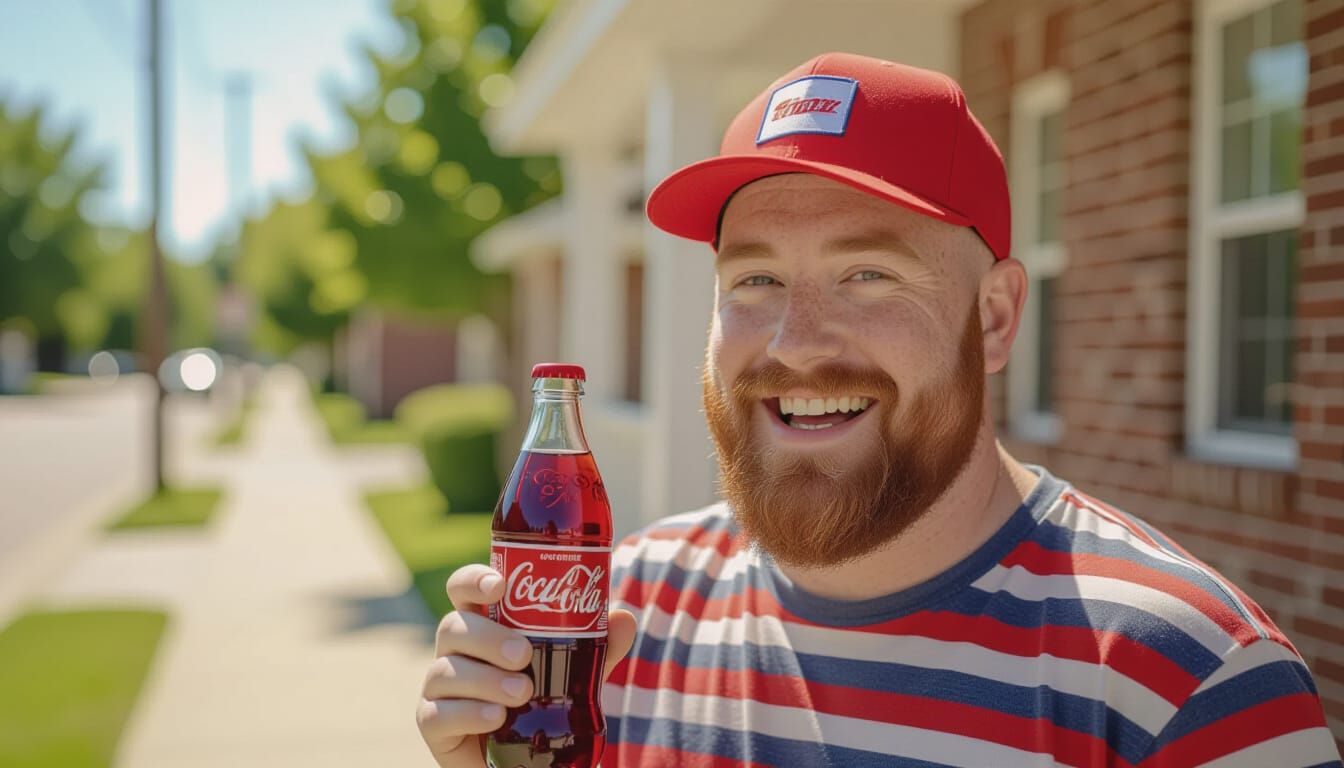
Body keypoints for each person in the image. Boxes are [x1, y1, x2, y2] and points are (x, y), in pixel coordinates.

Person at [416, 52, 1342, 767]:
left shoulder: (1188, 682)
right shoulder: (621, 622)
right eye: (755, 280)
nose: (793, 343)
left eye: (866, 274)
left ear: (994, 317)